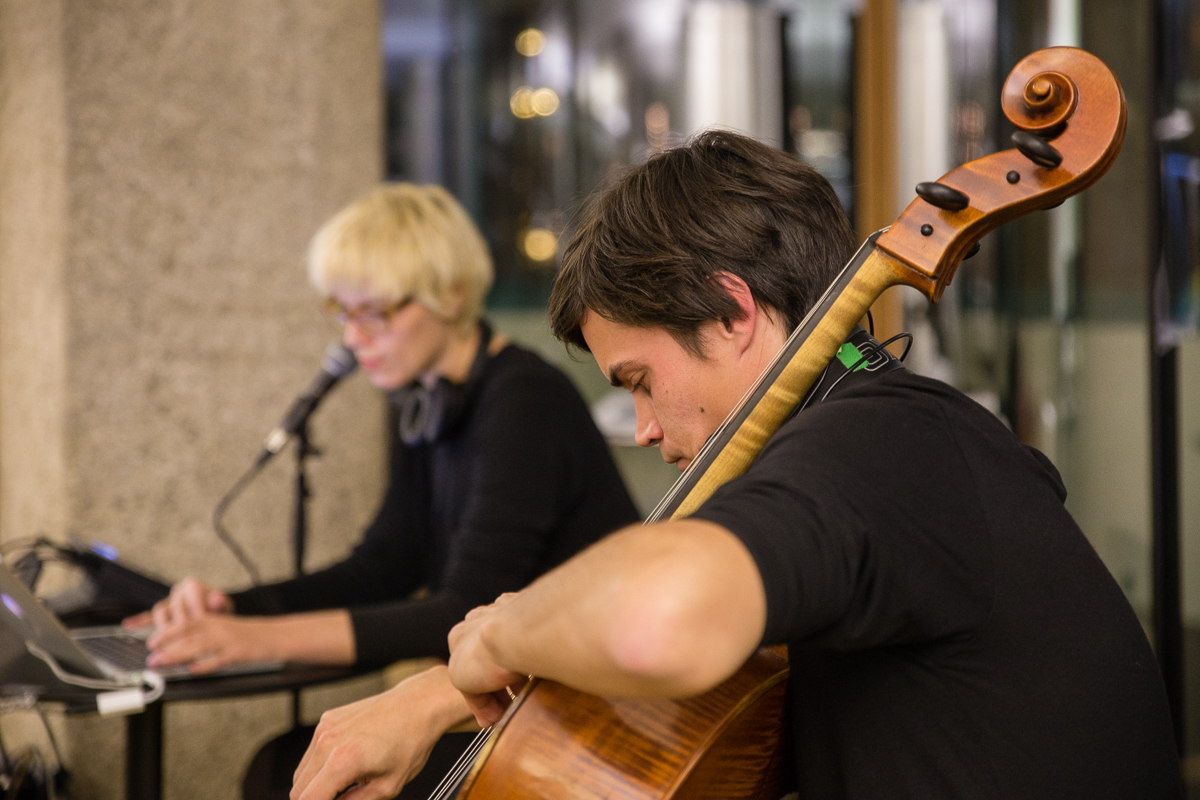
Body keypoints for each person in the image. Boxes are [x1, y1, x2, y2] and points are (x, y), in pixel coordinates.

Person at [439, 131, 1183, 798]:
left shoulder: (882, 445)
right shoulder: (906, 436)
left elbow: (654, 621)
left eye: (640, 381)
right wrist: (430, 702)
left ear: (732, 314)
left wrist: (502, 632)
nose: (642, 429)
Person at [126, 183, 639, 797]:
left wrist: (255, 641)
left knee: (291, 769)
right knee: (285, 762)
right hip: (515, 699)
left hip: (591, 714)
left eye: (374, 313)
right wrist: (234, 611)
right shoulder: (427, 406)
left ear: (450, 296)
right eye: (342, 313)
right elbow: (382, 566)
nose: (352, 338)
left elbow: (459, 609)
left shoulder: (524, 399)